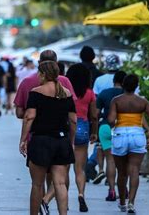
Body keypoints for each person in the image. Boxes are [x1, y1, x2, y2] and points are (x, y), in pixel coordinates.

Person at [14, 50, 76, 213]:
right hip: (61, 141)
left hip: (41, 141)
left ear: (43, 74)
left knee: (37, 184)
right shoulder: (67, 93)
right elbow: (73, 119)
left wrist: (23, 139)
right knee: (60, 183)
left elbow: (29, 117)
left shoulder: (36, 92)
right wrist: (71, 141)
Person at [107, 74, 149, 213]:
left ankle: (122, 202)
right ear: (136, 86)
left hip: (120, 135)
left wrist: (116, 121)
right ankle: (131, 203)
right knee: (134, 170)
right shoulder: (142, 101)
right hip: (137, 135)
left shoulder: (116, 100)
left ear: (123, 84)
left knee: (122, 173)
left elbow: (111, 120)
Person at [66, 63, 98, 212]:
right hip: (83, 128)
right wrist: (94, 132)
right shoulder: (90, 93)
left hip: (67, 127)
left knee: (64, 169)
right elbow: (94, 116)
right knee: (80, 169)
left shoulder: (65, 92)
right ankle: (80, 194)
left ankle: (63, 198)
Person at [96, 71, 126, 201]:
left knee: (110, 160)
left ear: (114, 80)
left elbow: (96, 114)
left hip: (105, 127)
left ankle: (112, 190)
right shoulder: (127, 95)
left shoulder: (104, 93)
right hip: (122, 128)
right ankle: (123, 189)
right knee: (124, 162)